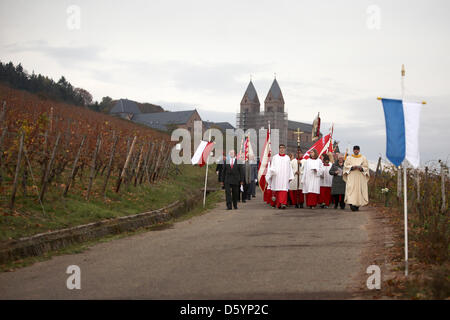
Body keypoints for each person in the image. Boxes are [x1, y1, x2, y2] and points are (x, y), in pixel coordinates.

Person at [265, 144, 294, 209]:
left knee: (283, 190)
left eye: (283, 148)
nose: (282, 149)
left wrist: (290, 176)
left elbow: (290, 168)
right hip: (277, 177)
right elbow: (272, 167)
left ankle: (283, 203)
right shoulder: (275, 157)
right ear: (279, 149)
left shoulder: (287, 158)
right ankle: (279, 204)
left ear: (285, 149)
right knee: (278, 191)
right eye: (280, 148)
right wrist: (272, 172)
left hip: (284, 177)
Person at [343, 146, 370, 211]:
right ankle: (351, 204)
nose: (356, 151)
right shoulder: (349, 158)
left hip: (360, 177)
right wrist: (352, 167)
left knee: (359, 190)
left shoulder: (363, 158)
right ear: (353, 150)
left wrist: (361, 168)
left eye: (357, 150)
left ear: (359, 150)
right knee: (351, 189)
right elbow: (346, 166)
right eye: (355, 150)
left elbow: (366, 167)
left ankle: (357, 205)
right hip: (352, 176)